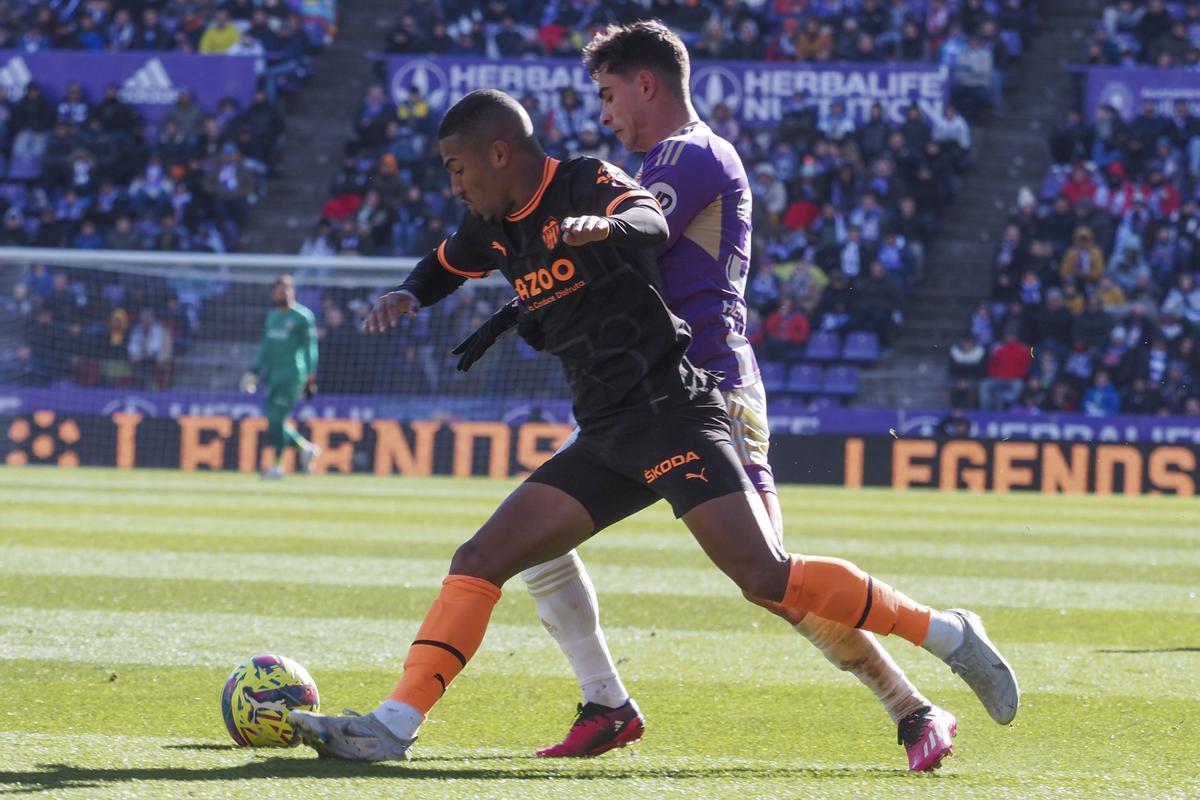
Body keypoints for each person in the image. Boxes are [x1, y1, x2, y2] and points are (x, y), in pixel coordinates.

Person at [287, 88, 1018, 764]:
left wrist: (602, 228)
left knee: (765, 574)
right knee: (480, 557)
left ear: (498, 153)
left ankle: (949, 633)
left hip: (673, 414)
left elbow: (651, 220)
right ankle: (393, 725)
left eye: (457, 167)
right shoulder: (491, 224)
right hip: (606, 434)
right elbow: (446, 264)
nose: (455, 183)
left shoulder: (581, 180)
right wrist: (406, 295)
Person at [458, 21, 952, 769]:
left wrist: (543, 282)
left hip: (706, 390)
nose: (604, 114)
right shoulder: (670, 159)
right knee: (530, 544)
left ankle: (915, 701)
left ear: (646, 84)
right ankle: (607, 703)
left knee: (773, 582)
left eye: (610, 93)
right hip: (640, 396)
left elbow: (628, 243)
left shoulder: (685, 158)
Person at [241, 275, 320, 479]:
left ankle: (277, 466)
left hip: (292, 375)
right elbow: (265, 350)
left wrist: (311, 377)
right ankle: (304, 448)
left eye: (285, 289)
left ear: (292, 292)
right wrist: (254, 371)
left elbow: (311, 349)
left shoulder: (303, 317)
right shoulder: (272, 317)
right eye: (278, 290)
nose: (282, 293)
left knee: (277, 419)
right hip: (273, 376)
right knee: (274, 420)